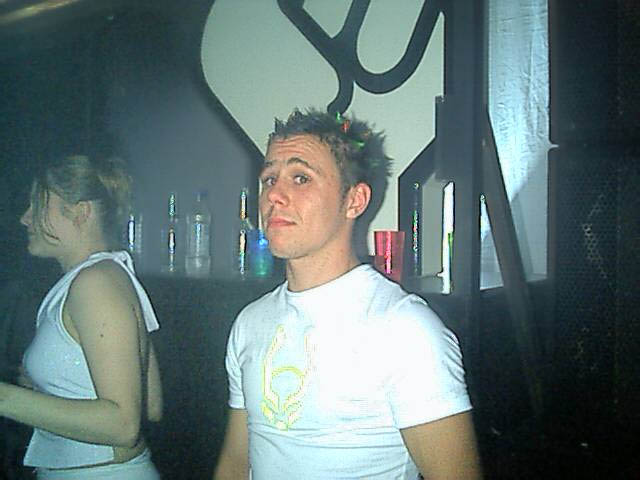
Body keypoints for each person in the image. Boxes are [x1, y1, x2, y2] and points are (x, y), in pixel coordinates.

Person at [213, 108, 483, 479]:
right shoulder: (250, 322)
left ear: (354, 200)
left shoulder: (405, 329)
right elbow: (234, 464)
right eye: (269, 178)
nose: (273, 194)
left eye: (301, 178)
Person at [0, 154, 163, 479]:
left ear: (80, 212)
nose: (25, 218)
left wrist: (4, 398)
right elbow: (151, 404)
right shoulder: (107, 274)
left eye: (38, 206)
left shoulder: (95, 283)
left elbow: (124, 425)